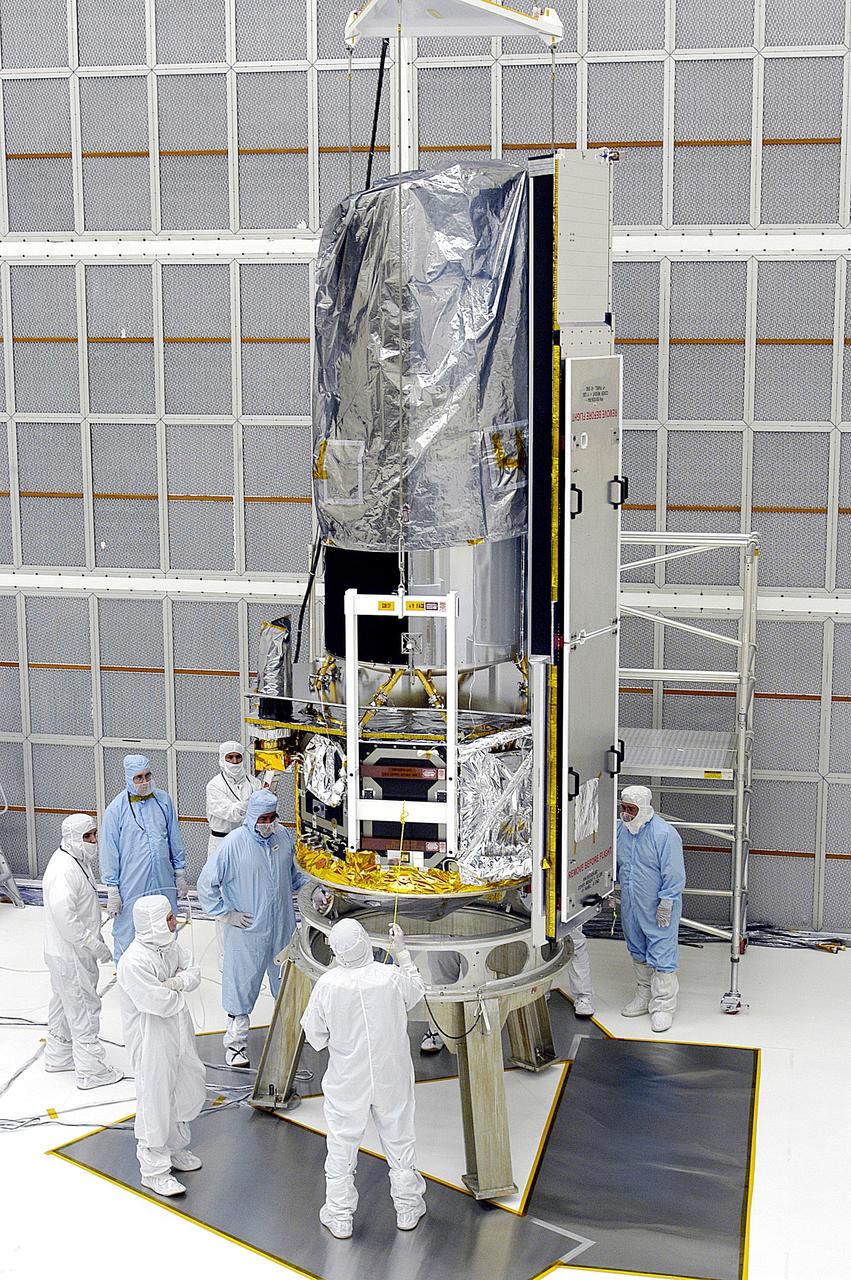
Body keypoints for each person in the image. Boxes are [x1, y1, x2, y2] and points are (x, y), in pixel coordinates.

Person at [301, 918, 427, 1240]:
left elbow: (315, 1035)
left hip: (348, 1081)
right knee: (400, 1139)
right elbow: (415, 992)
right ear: (366, 943)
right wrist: (401, 952)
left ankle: (340, 1216)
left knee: (342, 1145)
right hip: (391, 1075)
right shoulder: (389, 977)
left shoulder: (327, 986)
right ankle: (408, 1208)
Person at [196, 789, 305, 1069]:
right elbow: (206, 884)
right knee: (241, 987)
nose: (268, 823)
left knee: (286, 984)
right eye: (263, 818)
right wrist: (225, 914)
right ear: (252, 817)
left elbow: (295, 876)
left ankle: (288, 1037)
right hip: (247, 932)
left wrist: (312, 891)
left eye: (273, 817)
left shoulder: (282, 837)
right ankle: (235, 1045)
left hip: (281, 928)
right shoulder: (233, 844)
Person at [117, 894, 206, 1198]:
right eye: (169, 918)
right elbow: (158, 1002)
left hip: (177, 1031)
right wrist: (179, 988)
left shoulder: (168, 945)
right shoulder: (133, 961)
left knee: (181, 1088)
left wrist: (177, 983)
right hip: (151, 1039)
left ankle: (175, 1148)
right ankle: (153, 1170)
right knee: (154, 1098)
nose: (175, 921)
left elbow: (194, 971)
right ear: (154, 923)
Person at [42, 813, 123, 1090]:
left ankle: (58, 1054)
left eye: (94, 835)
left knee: (64, 1003)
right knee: (84, 1007)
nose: (93, 841)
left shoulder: (75, 861)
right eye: (87, 837)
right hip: (71, 953)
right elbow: (66, 918)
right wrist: (94, 944)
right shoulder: (65, 870)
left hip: (65, 952)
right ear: (72, 838)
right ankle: (91, 1071)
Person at [100, 754, 188, 962]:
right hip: (132, 880)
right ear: (128, 778)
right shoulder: (116, 809)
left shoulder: (163, 801)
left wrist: (180, 873)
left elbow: (174, 839)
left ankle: (164, 965)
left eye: (148, 775)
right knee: (128, 925)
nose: (145, 782)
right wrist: (112, 890)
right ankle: (125, 969)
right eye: (138, 777)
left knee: (166, 920)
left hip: (163, 877)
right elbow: (109, 851)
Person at [617, 784, 686, 1033]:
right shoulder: (620, 830)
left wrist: (667, 903)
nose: (625, 814)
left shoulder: (664, 834)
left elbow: (674, 872)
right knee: (637, 948)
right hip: (631, 904)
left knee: (662, 953)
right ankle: (644, 997)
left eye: (631, 809)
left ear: (644, 808)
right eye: (623, 808)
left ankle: (663, 1007)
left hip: (658, 906)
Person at [204, 741, 262, 968]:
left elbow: (260, 811)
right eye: (230, 758)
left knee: (249, 892)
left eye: (238, 757)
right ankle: (226, 956)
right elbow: (232, 813)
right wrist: (251, 802)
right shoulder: (214, 785)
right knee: (224, 895)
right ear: (222, 759)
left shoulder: (253, 782)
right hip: (222, 843)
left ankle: (249, 950)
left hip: (249, 843)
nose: (235, 762)